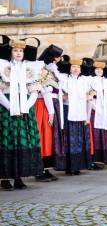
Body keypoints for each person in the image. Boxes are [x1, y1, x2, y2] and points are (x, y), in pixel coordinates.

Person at [0, 38, 44, 190]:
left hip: (25, 108)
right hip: (6, 108)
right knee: (7, 141)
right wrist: (10, 106)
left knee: (23, 141)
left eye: (21, 51)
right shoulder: (2, 66)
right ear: (10, 52)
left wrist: (24, 106)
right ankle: (4, 178)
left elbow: (34, 91)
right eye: (15, 50)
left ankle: (18, 177)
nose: (18, 53)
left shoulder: (29, 68)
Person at [35, 44, 64, 181]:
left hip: (51, 105)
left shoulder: (52, 70)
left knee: (49, 137)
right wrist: (51, 112)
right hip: (43, 105)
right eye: (56, 58)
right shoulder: (42, 70)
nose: (57, 61)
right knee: (43, 135)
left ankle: (46, 168)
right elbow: (45, 92)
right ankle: (39, 169)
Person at [60, 57, 92, 175]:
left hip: (80, 111)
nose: (75, 69)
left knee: (79, 139)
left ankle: (78, 166)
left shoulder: (85, 80)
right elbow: (61, 92)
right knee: (68, 138)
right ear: (69, 68)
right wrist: (64, 96)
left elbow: (91, 92)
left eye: (77, 67)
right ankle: (68, 167)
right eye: (73, 67)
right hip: (68, 110)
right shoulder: (64, 79)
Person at [88, 60, 107, 167]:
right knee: (94, 132)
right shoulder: (91, 80)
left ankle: (103, 158)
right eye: (97, 69)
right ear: (94, 70)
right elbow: (89, 94)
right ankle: (93, 159)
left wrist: (105, 96)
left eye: (101, 69)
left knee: (104, 131)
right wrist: (95, 100)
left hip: (104, 110)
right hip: (94, 109)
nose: (99, 71)